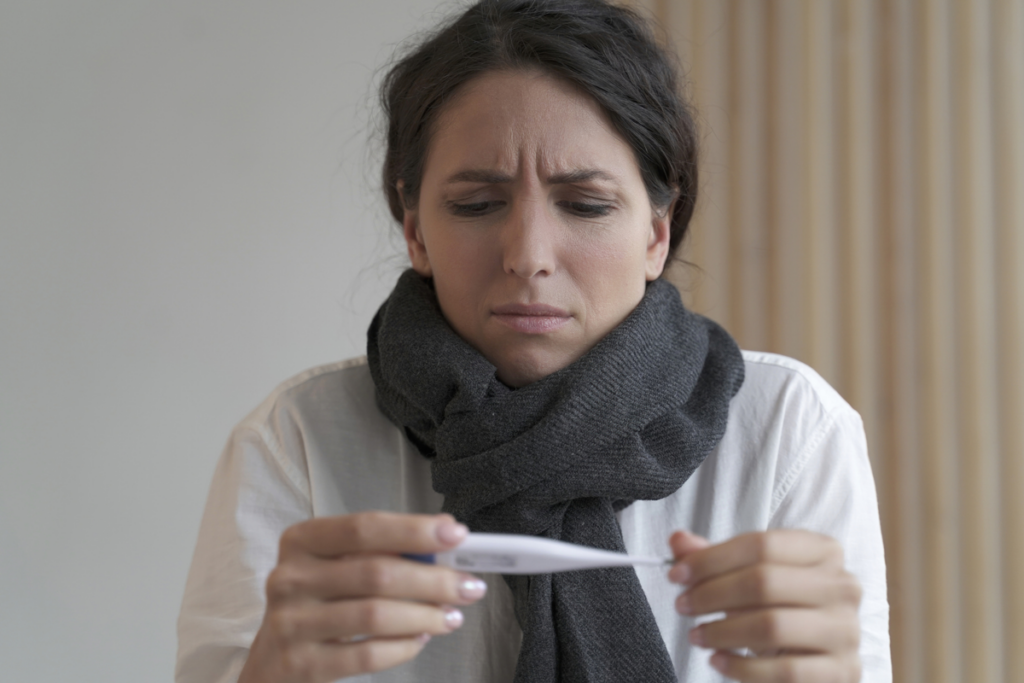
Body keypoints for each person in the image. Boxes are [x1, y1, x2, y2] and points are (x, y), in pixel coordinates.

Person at [175, 1, 890, 681]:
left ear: (656, 232)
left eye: (585, 204)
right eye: (477, 204)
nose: (528, 254)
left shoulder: (790, 433)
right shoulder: (299, 442)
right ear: (414, 228)